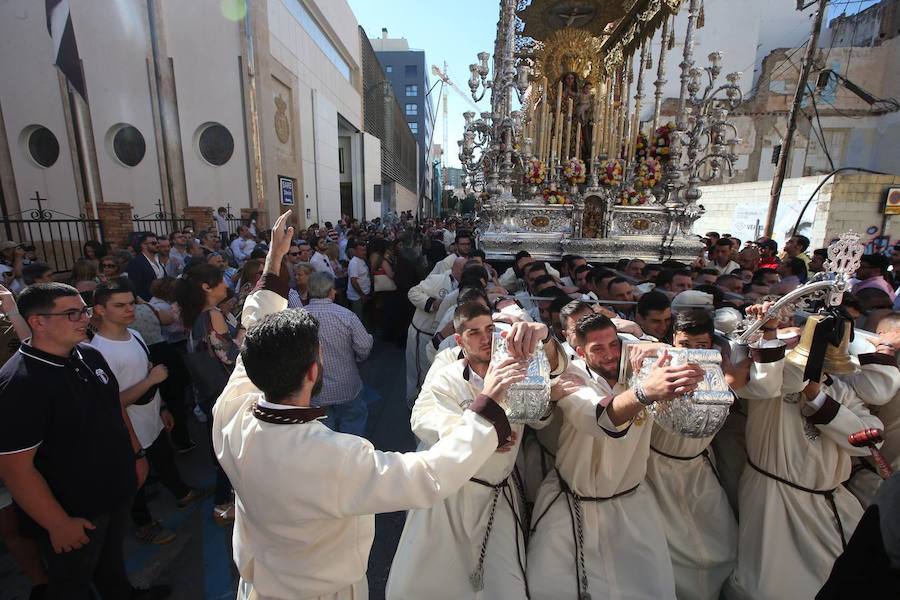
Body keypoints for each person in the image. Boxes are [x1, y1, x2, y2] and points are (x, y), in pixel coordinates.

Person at [212, 210, 514, 600]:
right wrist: (487, 406)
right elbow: (429, 475)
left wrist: (274, 262)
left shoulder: (232, 415)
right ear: (313, 371)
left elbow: (254, 333)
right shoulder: (336, 456)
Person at [0, 283, 169, 600]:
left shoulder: (88, 354)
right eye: (71, 313)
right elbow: (15, 468)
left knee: (111, 563)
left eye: (84, 310)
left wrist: (137, 455)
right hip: (74, 509)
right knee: (72, 583)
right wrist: (57, 523)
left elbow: (115, 408)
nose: (84, 319)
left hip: (114, 490)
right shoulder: (20, 382)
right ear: (38, 322)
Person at [388, 302, 563, 599]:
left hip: (496, 496)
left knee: (504, 586)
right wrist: (483, 432)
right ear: (460, 341)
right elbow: (423, 419)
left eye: (490, 330)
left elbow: (542, 411)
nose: (486, 338)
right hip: (452, 496)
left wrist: (546, 348)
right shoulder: (448, 376)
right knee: (431, 583)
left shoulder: (518, 372)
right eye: (474, 332)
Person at [526, 313, 705, 599]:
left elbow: (708, 363)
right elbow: (597, 419)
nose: (610, 355)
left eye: (614, 344)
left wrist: (666, 349)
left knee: (649, 588)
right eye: (598, 348)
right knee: (551, 588)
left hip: (631, 505)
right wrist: (645, 393)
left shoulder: (642, 368)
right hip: (571, 505)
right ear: (581, 351)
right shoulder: (573, 377)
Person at [725, 303, 883, 599]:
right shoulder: (774, 381)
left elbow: (868, 441)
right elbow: (760, 384)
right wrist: (769, 329)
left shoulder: (841, 390)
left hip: (827, 500)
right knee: (768, 585)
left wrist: (818, 399)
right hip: (775, 498)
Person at [90, 278, 206, 544]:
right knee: (135, 481)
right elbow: (110, 402)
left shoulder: (137, 336)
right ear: (100, 310)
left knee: (164, 457)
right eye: (119, 305)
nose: (129, 309)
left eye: (131, 303)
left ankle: (182, 493)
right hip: (128, 430)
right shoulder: (98, 352)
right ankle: (143, 524)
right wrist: (151, 381)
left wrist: (162, 406)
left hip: (151, 417)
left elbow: (147, 370)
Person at [638, 310, 739, 599]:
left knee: (719, 545)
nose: (694, 353)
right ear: (673, 340)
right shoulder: (655, 366)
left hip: (698, 471)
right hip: (656, 473)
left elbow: (742, 379)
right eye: (685, 345)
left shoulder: (721, 369)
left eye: (701, 346)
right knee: (670, 549)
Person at [175, 263, 240, 526]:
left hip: (206, 390)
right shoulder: (212, 314)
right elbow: (229, 355)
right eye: (221, 281)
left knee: (223, 447)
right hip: (223, 389)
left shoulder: (191, 314)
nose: (226, 285)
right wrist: (244, 332)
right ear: (206, 287)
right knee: (231, 451)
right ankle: (223, 504)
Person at [304, 271, 373, 436]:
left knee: (324, 434)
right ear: (330, 292)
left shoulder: (298, 316)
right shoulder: (346, 316)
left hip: (314, 390)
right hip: (346, 385)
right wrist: (357, 358)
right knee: (352, 429)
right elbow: (364, 346)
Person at [405, 257, 466, 404]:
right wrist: (431, 303)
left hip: (443, 339)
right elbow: (413, 292)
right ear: (454, 269)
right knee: (420, 372)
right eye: (462, 269)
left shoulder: (464, 287)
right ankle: (414, 402)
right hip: (424, 334)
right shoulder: (437, 279)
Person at [126, 233, 165, 301]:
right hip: (147, 302)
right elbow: (134, 287)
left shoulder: (158, 260)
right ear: (143, 245)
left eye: (157, 243)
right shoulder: (136, 263)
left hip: (163, 300)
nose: (157, 245)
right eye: (153, 243)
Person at [346, 239, 371, 321]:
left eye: (365, 250)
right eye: (361, 250)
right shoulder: (354, 263)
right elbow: (353, 281)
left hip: (363, 294)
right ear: (355, 251)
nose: (364, 252)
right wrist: (362, 295)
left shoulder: (362, 259)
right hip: (357, 297)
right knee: (357, 319)